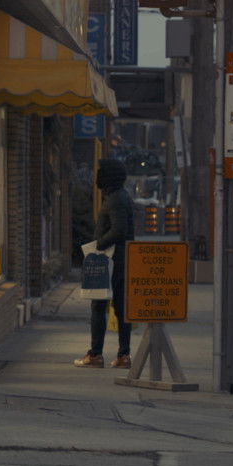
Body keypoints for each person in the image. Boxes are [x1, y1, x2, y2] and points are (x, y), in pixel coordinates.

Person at [74, 157, 135, 368]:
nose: (96, 176)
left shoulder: (115, 199)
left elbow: (119, 230)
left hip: (109, 260)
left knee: (99, 306)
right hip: (120, 259)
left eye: (100, 172)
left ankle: (95, 354)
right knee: (120, 307)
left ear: (108, 176)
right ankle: (123, 355)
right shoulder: (121, 196)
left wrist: (98, 244)